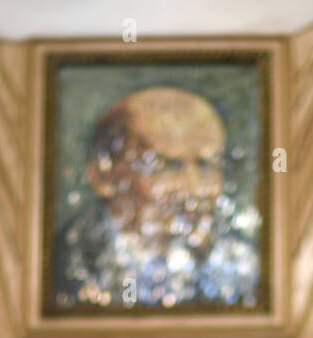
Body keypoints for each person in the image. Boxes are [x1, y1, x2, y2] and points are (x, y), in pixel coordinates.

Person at [53, 86, 259, 309]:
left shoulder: (248, 264)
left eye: (207, 166)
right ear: (103, 175)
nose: (194, 189)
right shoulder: (56, 266)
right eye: (167, 166)